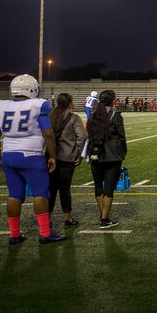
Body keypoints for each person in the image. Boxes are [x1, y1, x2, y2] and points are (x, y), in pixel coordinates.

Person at [0, 74, 66, 244]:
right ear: (32, 89)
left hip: (9, 156)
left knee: (14, 195)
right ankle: (45, 233)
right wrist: (52, 156)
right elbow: (48, 133)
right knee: (40, 194)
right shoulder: (38, 105)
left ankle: (14, 234)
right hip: (31, 156)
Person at [86, 90, 128, 229]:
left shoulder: (92, 115)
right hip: (112, 156)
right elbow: (121, 137)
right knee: (109, 188)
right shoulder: (115, 116)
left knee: (98, 186)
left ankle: (102, 216)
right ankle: (105, 218)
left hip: (95, 154)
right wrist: (122, 153)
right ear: (112, 101)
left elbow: (90, 135)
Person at [48, 93, 86, 227]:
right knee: (65, 189)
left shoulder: (49, 116)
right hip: (67, 157)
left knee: (50, 189)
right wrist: (79, 154)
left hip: (49, 156)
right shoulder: (74, 117)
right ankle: (67, 219)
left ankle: (47, 219)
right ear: (70, 103)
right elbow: (82, 137)